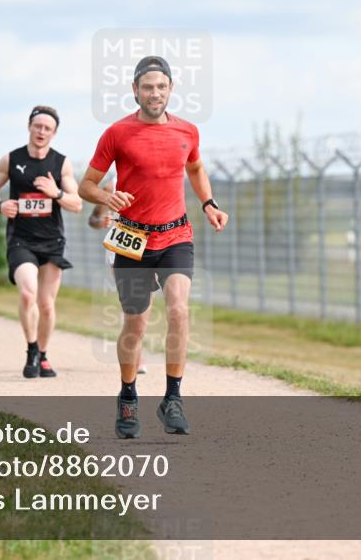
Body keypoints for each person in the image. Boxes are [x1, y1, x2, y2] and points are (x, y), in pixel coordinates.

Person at [79, 55, 229, 439]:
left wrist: (208, 203)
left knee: (179, 309)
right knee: (136, 322)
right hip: (131, 239)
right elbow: (87, 185)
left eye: (161, 87)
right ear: (135, 91)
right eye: (148, 87)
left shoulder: (188, 132)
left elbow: (195, 168)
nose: (155, 93)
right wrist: (106, 198)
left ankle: (172, 398)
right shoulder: (117, 133)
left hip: (176, 234)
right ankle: (128, 396)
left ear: (171, 89)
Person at [0, 106, 83, 378]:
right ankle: (31, 349)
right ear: (29, 127)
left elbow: (77, 204)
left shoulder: (61, 163)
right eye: (37, 126)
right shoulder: (11, 159)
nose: (41, 132)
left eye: (47, 128)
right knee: (28, 293)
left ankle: (43, 354)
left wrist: (56, 192)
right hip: (21, 239)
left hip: (52, 241)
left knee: (47, 304)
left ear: (54, 133)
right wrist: (0, 205)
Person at [88, 177, 147, 375]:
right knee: (132, 304)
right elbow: (93, 220)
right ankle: (136, 356)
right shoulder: (109, 185)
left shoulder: (153, 178)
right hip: (122, 246)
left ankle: (136, 351)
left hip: (151, 244)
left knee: (144, 304)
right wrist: (103, 220)